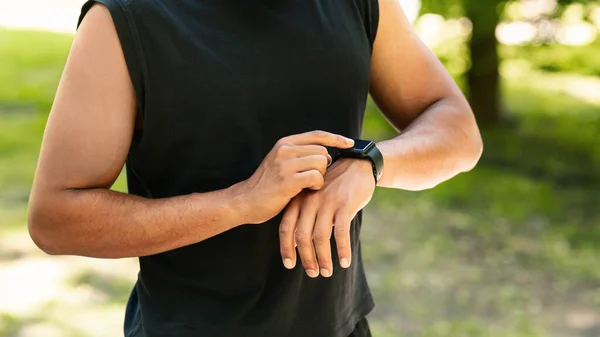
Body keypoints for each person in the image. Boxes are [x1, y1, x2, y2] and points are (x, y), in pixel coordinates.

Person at [27, 0, 483, 336]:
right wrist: (241, 202)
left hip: (342, 327)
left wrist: (372, 163)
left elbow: (457, 129)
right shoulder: (125, 20)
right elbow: (55, 217)